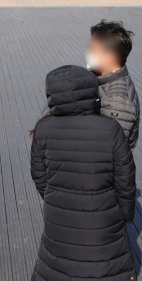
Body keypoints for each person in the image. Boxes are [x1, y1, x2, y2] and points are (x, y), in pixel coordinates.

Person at [30, 65, 136, 281]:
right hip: (105, 225)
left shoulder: (43, 128)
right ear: (91, 91)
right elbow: (126, 181)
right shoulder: (111, 129)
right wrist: (125, 215)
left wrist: (55, 200)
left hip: (59, 220)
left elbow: (39, 176)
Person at [86, 20, 139, 149]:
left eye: (92, 50)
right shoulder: (100, 79)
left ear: (111, 55)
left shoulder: (118, 101)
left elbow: (105, 150)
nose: (88, 54)